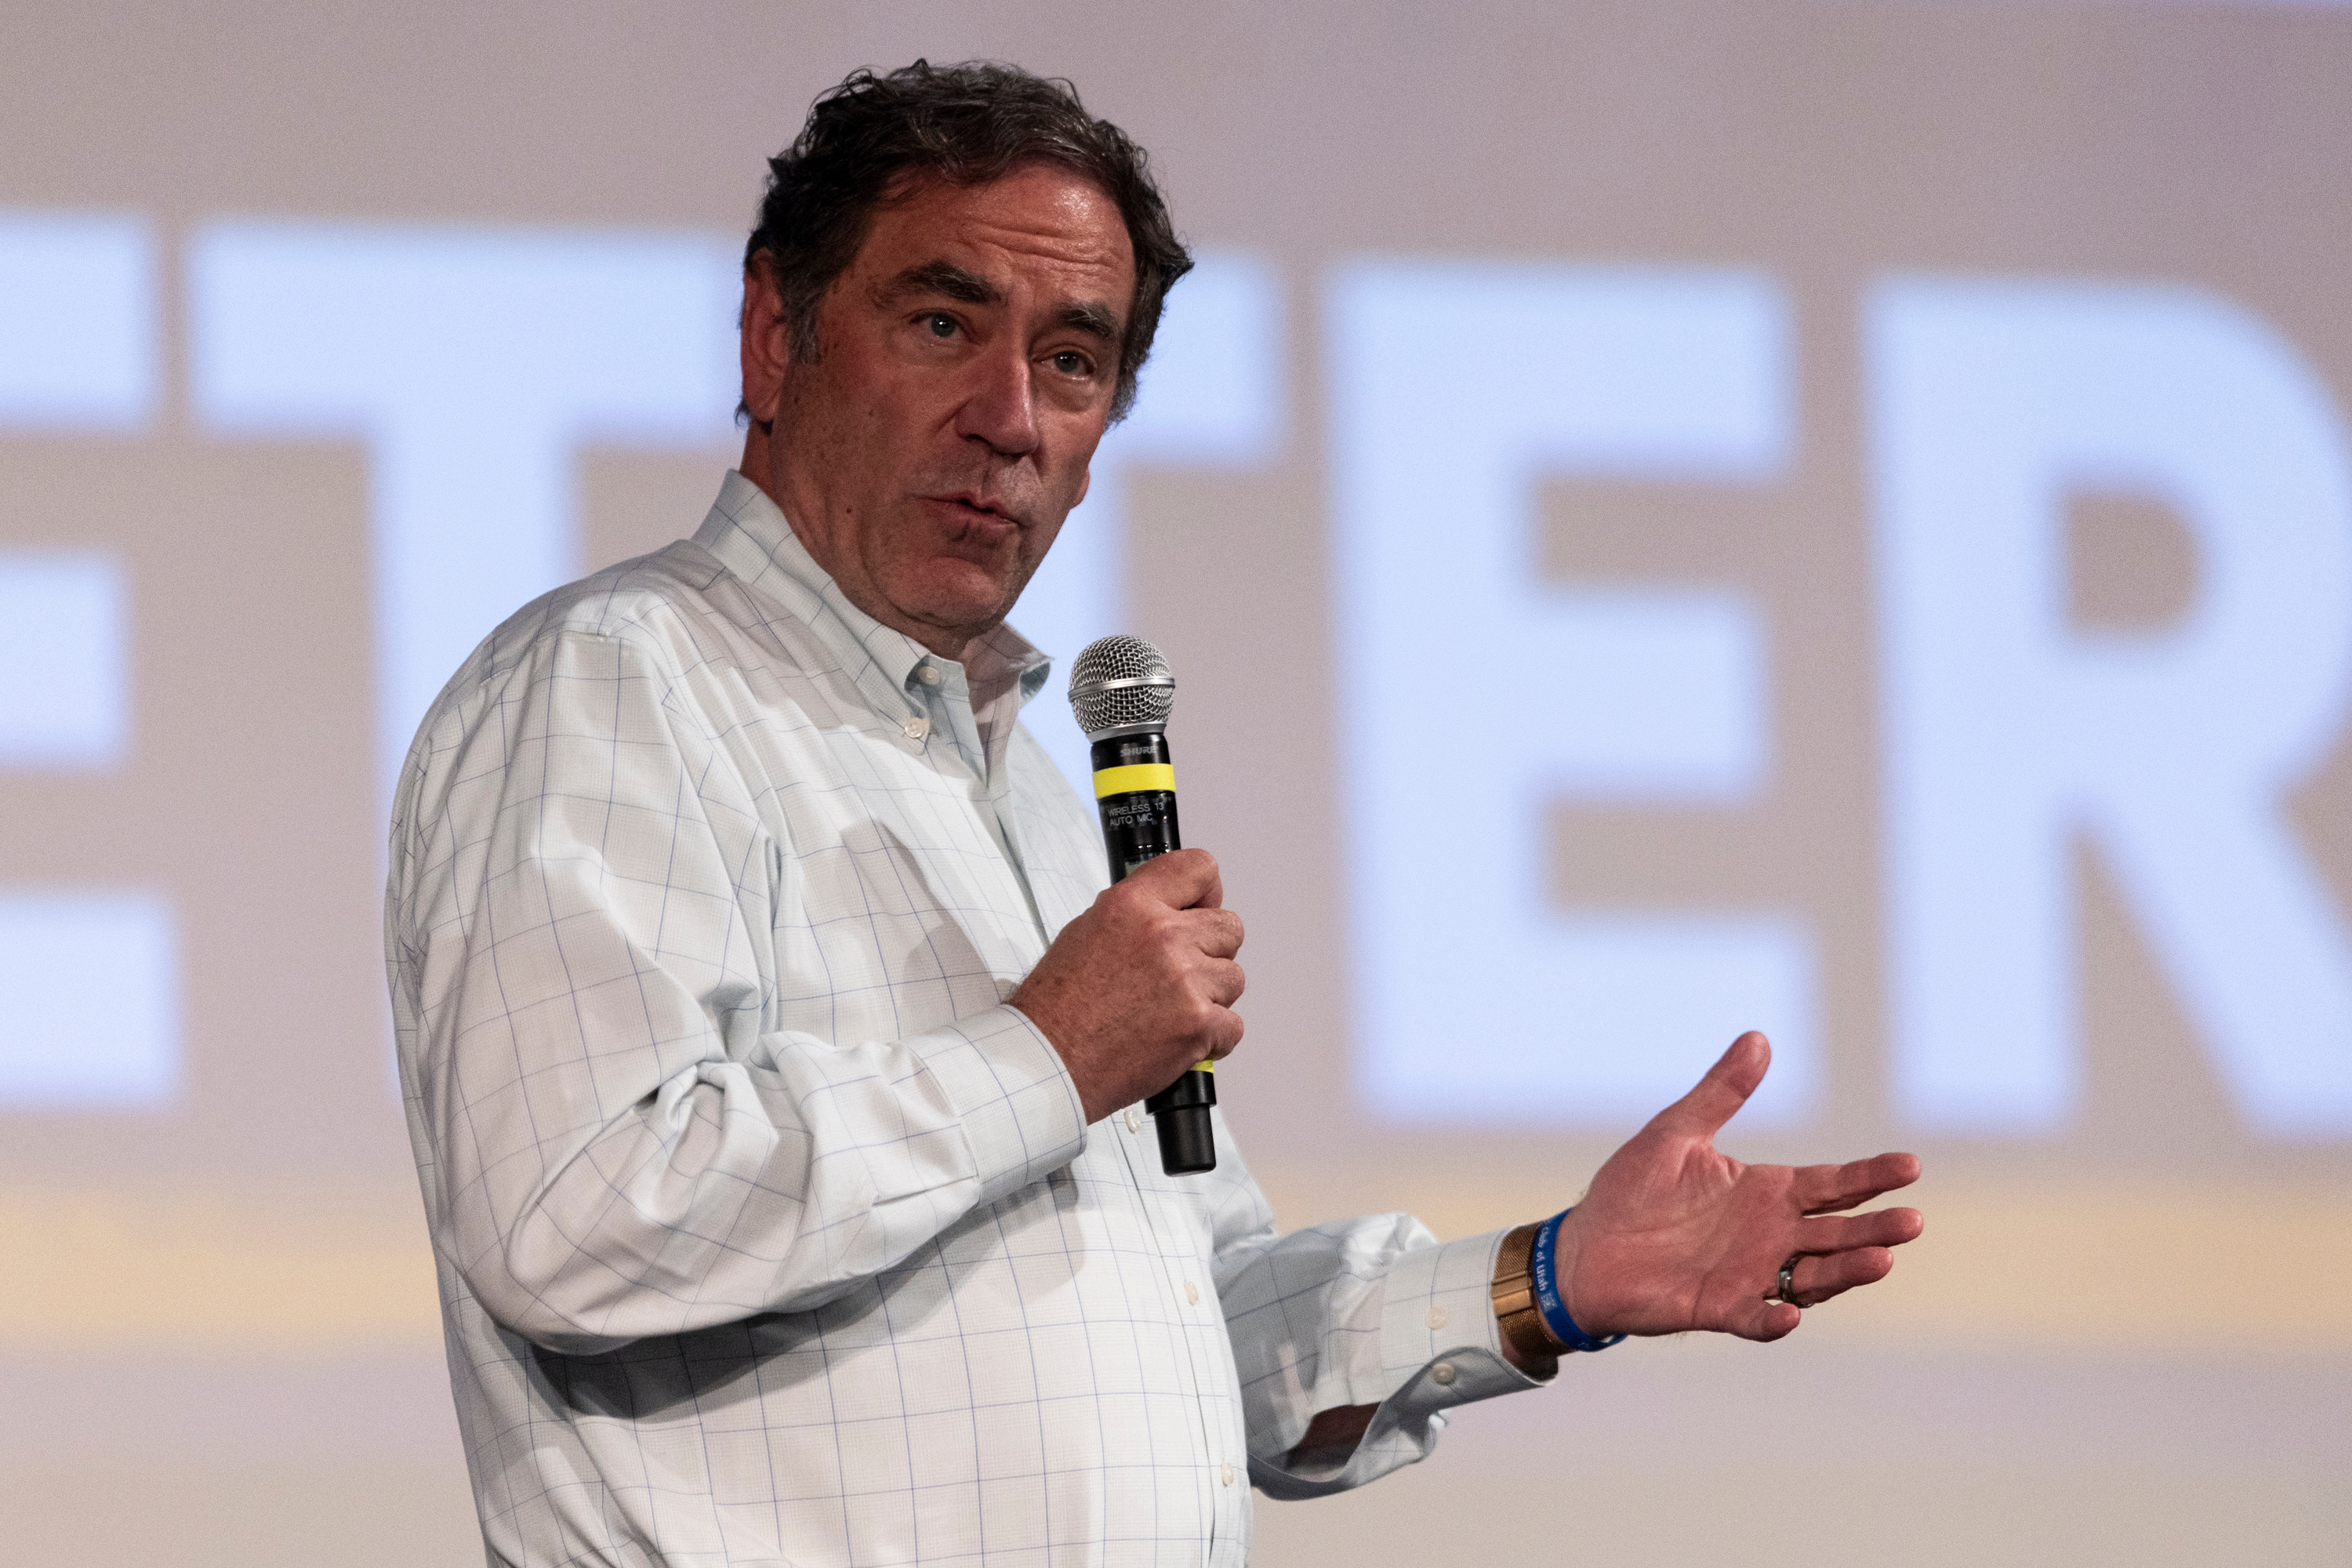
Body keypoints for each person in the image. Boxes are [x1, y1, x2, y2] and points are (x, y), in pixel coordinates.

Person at [386, 60, 1924, 1568]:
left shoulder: (1039, 805)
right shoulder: (615, 682)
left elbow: (1203, 1335)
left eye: (1073, 361)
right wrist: (1045, 1054)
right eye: (942, 322)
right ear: (775, 333)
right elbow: (577, 1214)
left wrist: (1553, 1279)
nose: (1011, 419)